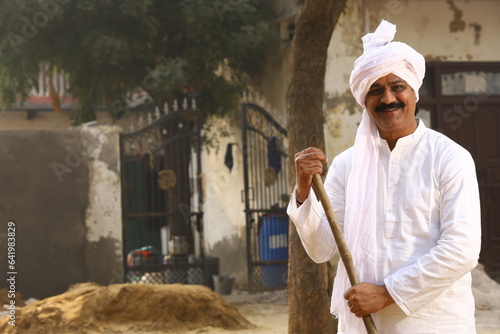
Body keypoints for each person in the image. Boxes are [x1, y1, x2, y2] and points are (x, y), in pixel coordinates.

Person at [287, 20, 481, 334]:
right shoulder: (347, 165)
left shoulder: (450, 158)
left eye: (397, 86)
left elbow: (461, 250)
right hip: (362, 325)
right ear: (365, 102)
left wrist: (387, 293)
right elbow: (322, 248)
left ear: (414, 92)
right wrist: (303, 192)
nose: (388, 98)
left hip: (435, 323)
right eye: (375, 90)